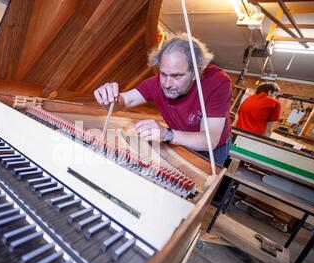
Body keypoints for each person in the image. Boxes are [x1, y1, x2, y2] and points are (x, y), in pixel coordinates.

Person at [93, 34, 232, 165]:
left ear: (196, 73)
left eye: (176, 76)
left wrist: (166, 134)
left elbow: (210, 140)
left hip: (215, 150)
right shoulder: (156, 83)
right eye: (163, 74)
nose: (166, 84)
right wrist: (110, 97)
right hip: (179, 140)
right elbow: (124, 101)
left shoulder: (217, 82)